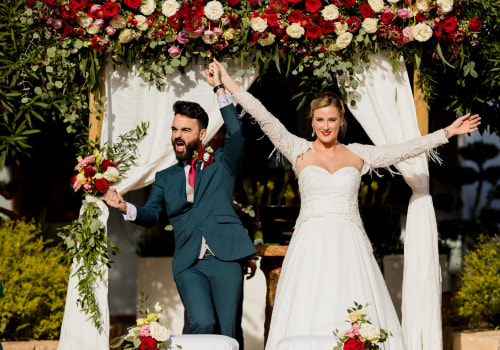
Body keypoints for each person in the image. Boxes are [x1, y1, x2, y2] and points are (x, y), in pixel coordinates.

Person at [209, 59, 481, 349]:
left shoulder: (359, 154)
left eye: (331, 120)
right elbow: (262, 115)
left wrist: (447, 133)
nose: (326, 126)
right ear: (312, 122)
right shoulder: (297, 149)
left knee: (354, 309)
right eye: (320, 120)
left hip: (350, 246)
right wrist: (227, 82)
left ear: (341, 121)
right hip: (309, 246)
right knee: (308, 310)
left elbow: (404, 149)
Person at [104, 65, 257, 344]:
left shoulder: (223, 164)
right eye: (175, 129)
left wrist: (219, 88)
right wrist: (126, 207)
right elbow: (153, 213)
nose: (178, 135)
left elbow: (235, 130)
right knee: (202, 321)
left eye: (186, 130)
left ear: (202, 135)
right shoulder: (165, 177)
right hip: (189, 263)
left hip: (226, 258)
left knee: (228, 330)